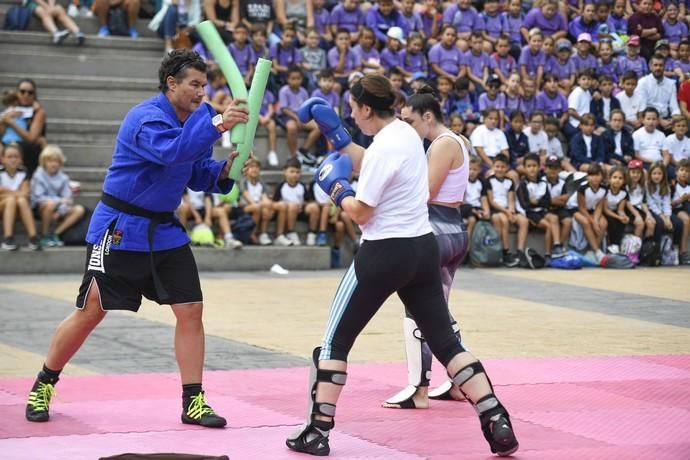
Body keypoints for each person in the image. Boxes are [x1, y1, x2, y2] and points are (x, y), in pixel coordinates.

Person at [286, 74, 519, 457]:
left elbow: (361, 212)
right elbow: (372, 160)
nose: (349, 113)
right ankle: (495, 417)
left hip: (383, 252)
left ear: (364, 108)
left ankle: (317, 430)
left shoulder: (383, 149)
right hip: (422, 249)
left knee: (335, 341)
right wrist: (340, 138)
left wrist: (336, 189)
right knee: (446, 342)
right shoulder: (406, 134)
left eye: (351, 108)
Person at [24, 50, 250, 427]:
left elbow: (194, 171)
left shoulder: (197, 117)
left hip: (164, 230)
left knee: (191, 308)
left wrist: (224, 169)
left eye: (203, 85)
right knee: (91, 310)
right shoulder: (145, 118)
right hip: (119, 228)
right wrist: (218, 123)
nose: (200, 92)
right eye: (193, 84)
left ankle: (193, 400)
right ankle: (44, 382)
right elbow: (171, 152)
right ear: (171, 83)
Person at [381, 85, 474, 408]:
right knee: (438, 310)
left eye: (410, 121)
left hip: (436, 230)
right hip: (452, 228)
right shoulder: (458, 140)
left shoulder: (442, 145)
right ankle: (460, 381)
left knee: (417, 308)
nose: (407, 128)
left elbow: (426, 192)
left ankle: (417, 388)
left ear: (428, 116)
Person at [30, 145, 86, 247]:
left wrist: (60, 211)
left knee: (79, 209)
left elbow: (68, 199)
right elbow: (39, 197)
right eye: (50, 161)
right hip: (40, 208)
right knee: (49, 204)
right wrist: (58, 202)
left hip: (58, 210)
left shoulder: (63, 178)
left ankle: (55, 234)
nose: (54, 164)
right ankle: (44, 235)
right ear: (44, 162)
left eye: (56, 161)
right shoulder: (38, 175)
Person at [0, 79, 47, 177]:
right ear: (17, 93)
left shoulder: (38, 111)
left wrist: (11, 122)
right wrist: (4, 121)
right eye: (22, 91)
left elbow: (31, 138)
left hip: (27, 148)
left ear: (34, 95)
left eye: (30, 92)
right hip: (7, 143)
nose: (26, 95)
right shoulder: (11, 110)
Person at [0, 143, 41, 251]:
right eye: (9, 157)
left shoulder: (23, 172)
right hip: (3, 206)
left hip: (17, 206)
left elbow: (26, 193)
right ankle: (8, 238)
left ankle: (33, 238)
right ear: (2, 159)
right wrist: (15, 193)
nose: (13, 160)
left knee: (22, 200)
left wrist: (5, 191)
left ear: (21, 159)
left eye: (16, 156)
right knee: (11, 200)